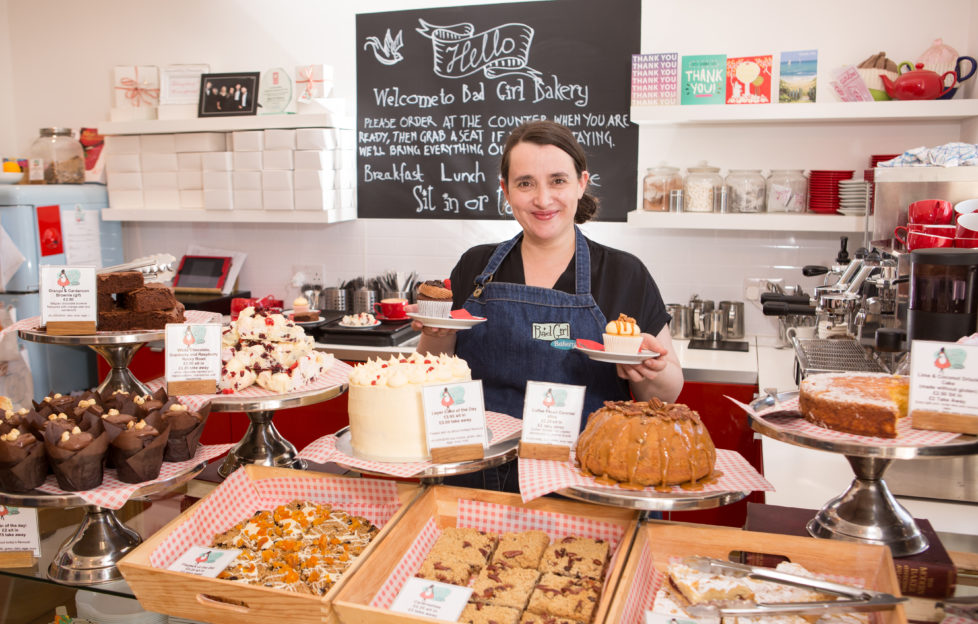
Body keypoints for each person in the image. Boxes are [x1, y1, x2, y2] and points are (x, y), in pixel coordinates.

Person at [413, 120, 683, 491]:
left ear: (581, 183)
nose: (542, 199)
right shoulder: (475, 266)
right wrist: (436, 333)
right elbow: (433, 368)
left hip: (590, 476)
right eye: (525, 183)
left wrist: (650, 370)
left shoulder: (624, 273)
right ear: (506, 191)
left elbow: (667, 393)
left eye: (558, 180)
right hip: (476, 472)